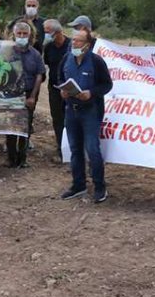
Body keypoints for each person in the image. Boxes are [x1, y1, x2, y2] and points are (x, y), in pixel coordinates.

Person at [59, 27, 112, 203]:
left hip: (90, 112)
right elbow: (59, 78)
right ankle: (78, 185)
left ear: (87, 45)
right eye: (73, 39)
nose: (74, 43)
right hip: (71, 110)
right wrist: (63, 91)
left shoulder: (96, 61)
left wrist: (91, 92)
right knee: (75, 149)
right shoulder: (67, 59)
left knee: (92, 149)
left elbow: (107, 85)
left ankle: (99, 186)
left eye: (78, 40)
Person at [5, 20, 45, 168]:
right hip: (11, 93)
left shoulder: (35, 54)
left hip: (28, 92)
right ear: (14, 35)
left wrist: (33, 96)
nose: (22, 36)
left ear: (30, 35)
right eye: (19, 33)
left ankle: (22, 159)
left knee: (25, 127)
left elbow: (39, 75)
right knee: (10, 126)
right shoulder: (7, 51)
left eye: (25, 34)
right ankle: (11, 158)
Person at [41, 19, 70, 162]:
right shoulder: (48, 47)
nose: (44, 34)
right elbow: (47, 63)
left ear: (57, 32)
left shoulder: (71, 46)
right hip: (53, 88)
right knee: (57, 119)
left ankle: (72, 147)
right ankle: (61, 148)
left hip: (70, 89)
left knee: (69, 118)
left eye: (47, 32)